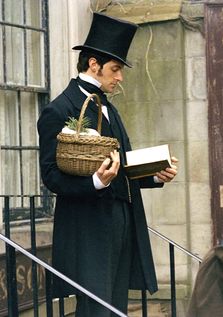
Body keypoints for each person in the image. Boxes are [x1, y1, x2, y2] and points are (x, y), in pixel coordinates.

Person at [37, 12, 178, 317]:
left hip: (122, 220)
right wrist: (95, 183)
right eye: (115, 69)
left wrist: (155, 175)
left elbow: (120, 167)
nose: (120, 77)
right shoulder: (58, 110)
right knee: (96, 310)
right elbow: (50, 176)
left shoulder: (107, 107)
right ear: (93, 64)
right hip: (88, 227)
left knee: (115, 308)